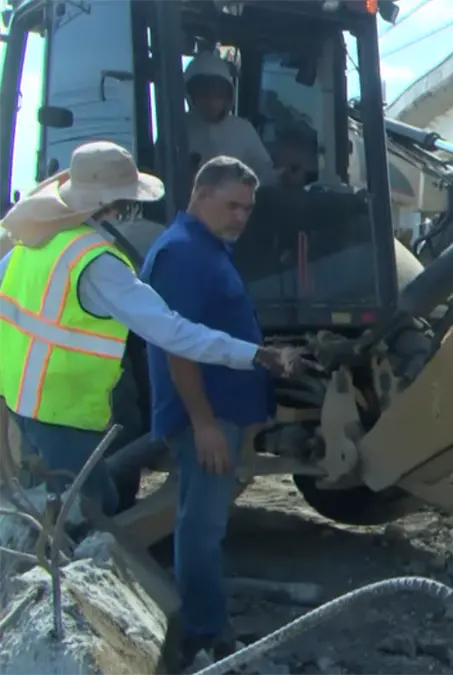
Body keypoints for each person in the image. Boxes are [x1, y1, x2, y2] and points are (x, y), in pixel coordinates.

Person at [0, 141, 299, 518]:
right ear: (112, 204)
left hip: (25, 404)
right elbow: (171, 332)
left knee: (50, 502)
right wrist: (253, 354)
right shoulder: (96, 262)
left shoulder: (35, 243)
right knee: (88, 512)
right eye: (126, 200)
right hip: (64, 410)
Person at [140, 156, 275, 669]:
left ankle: (204, 622)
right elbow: (179, 346)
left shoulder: (207, 248)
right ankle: (202, 637)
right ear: (200, 194)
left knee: (205, 523)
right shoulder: (181, 254)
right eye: (231, 204)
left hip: (221, 415)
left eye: (248, 208)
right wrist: (202, 424)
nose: (241, 216)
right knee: (200, 528)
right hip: (207, 417)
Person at [183, 51, 277, 185]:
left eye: (218, 94)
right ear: (190, 94)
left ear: (228, 95)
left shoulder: (243, 130)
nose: (211, 100)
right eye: (203, 94)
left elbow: (265, 174)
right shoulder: (177, 129)